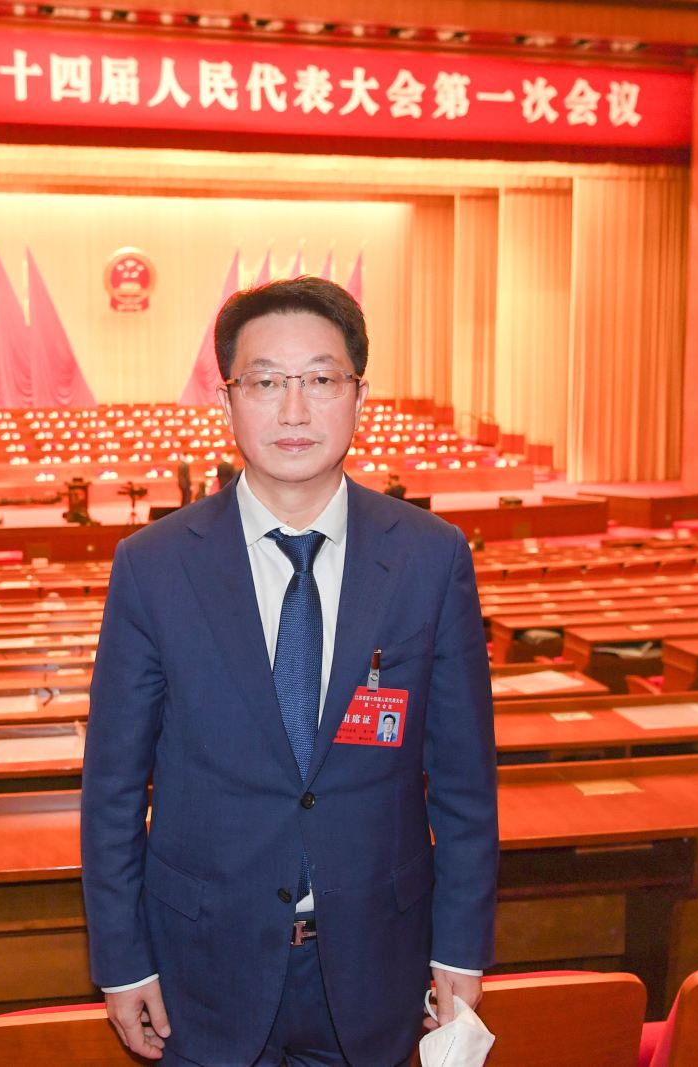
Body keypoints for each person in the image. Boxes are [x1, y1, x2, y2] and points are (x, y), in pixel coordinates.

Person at [82, 277, 498, 1067]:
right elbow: (112, 790)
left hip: (380, 962)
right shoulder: (152, 566)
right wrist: (122, 958)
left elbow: (465, 783)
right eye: (267, 382)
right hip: (202, 966)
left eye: (321, 379)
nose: (295, 410)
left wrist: (460, 948)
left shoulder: (430, 557)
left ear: (359, 395)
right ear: (227, 399)